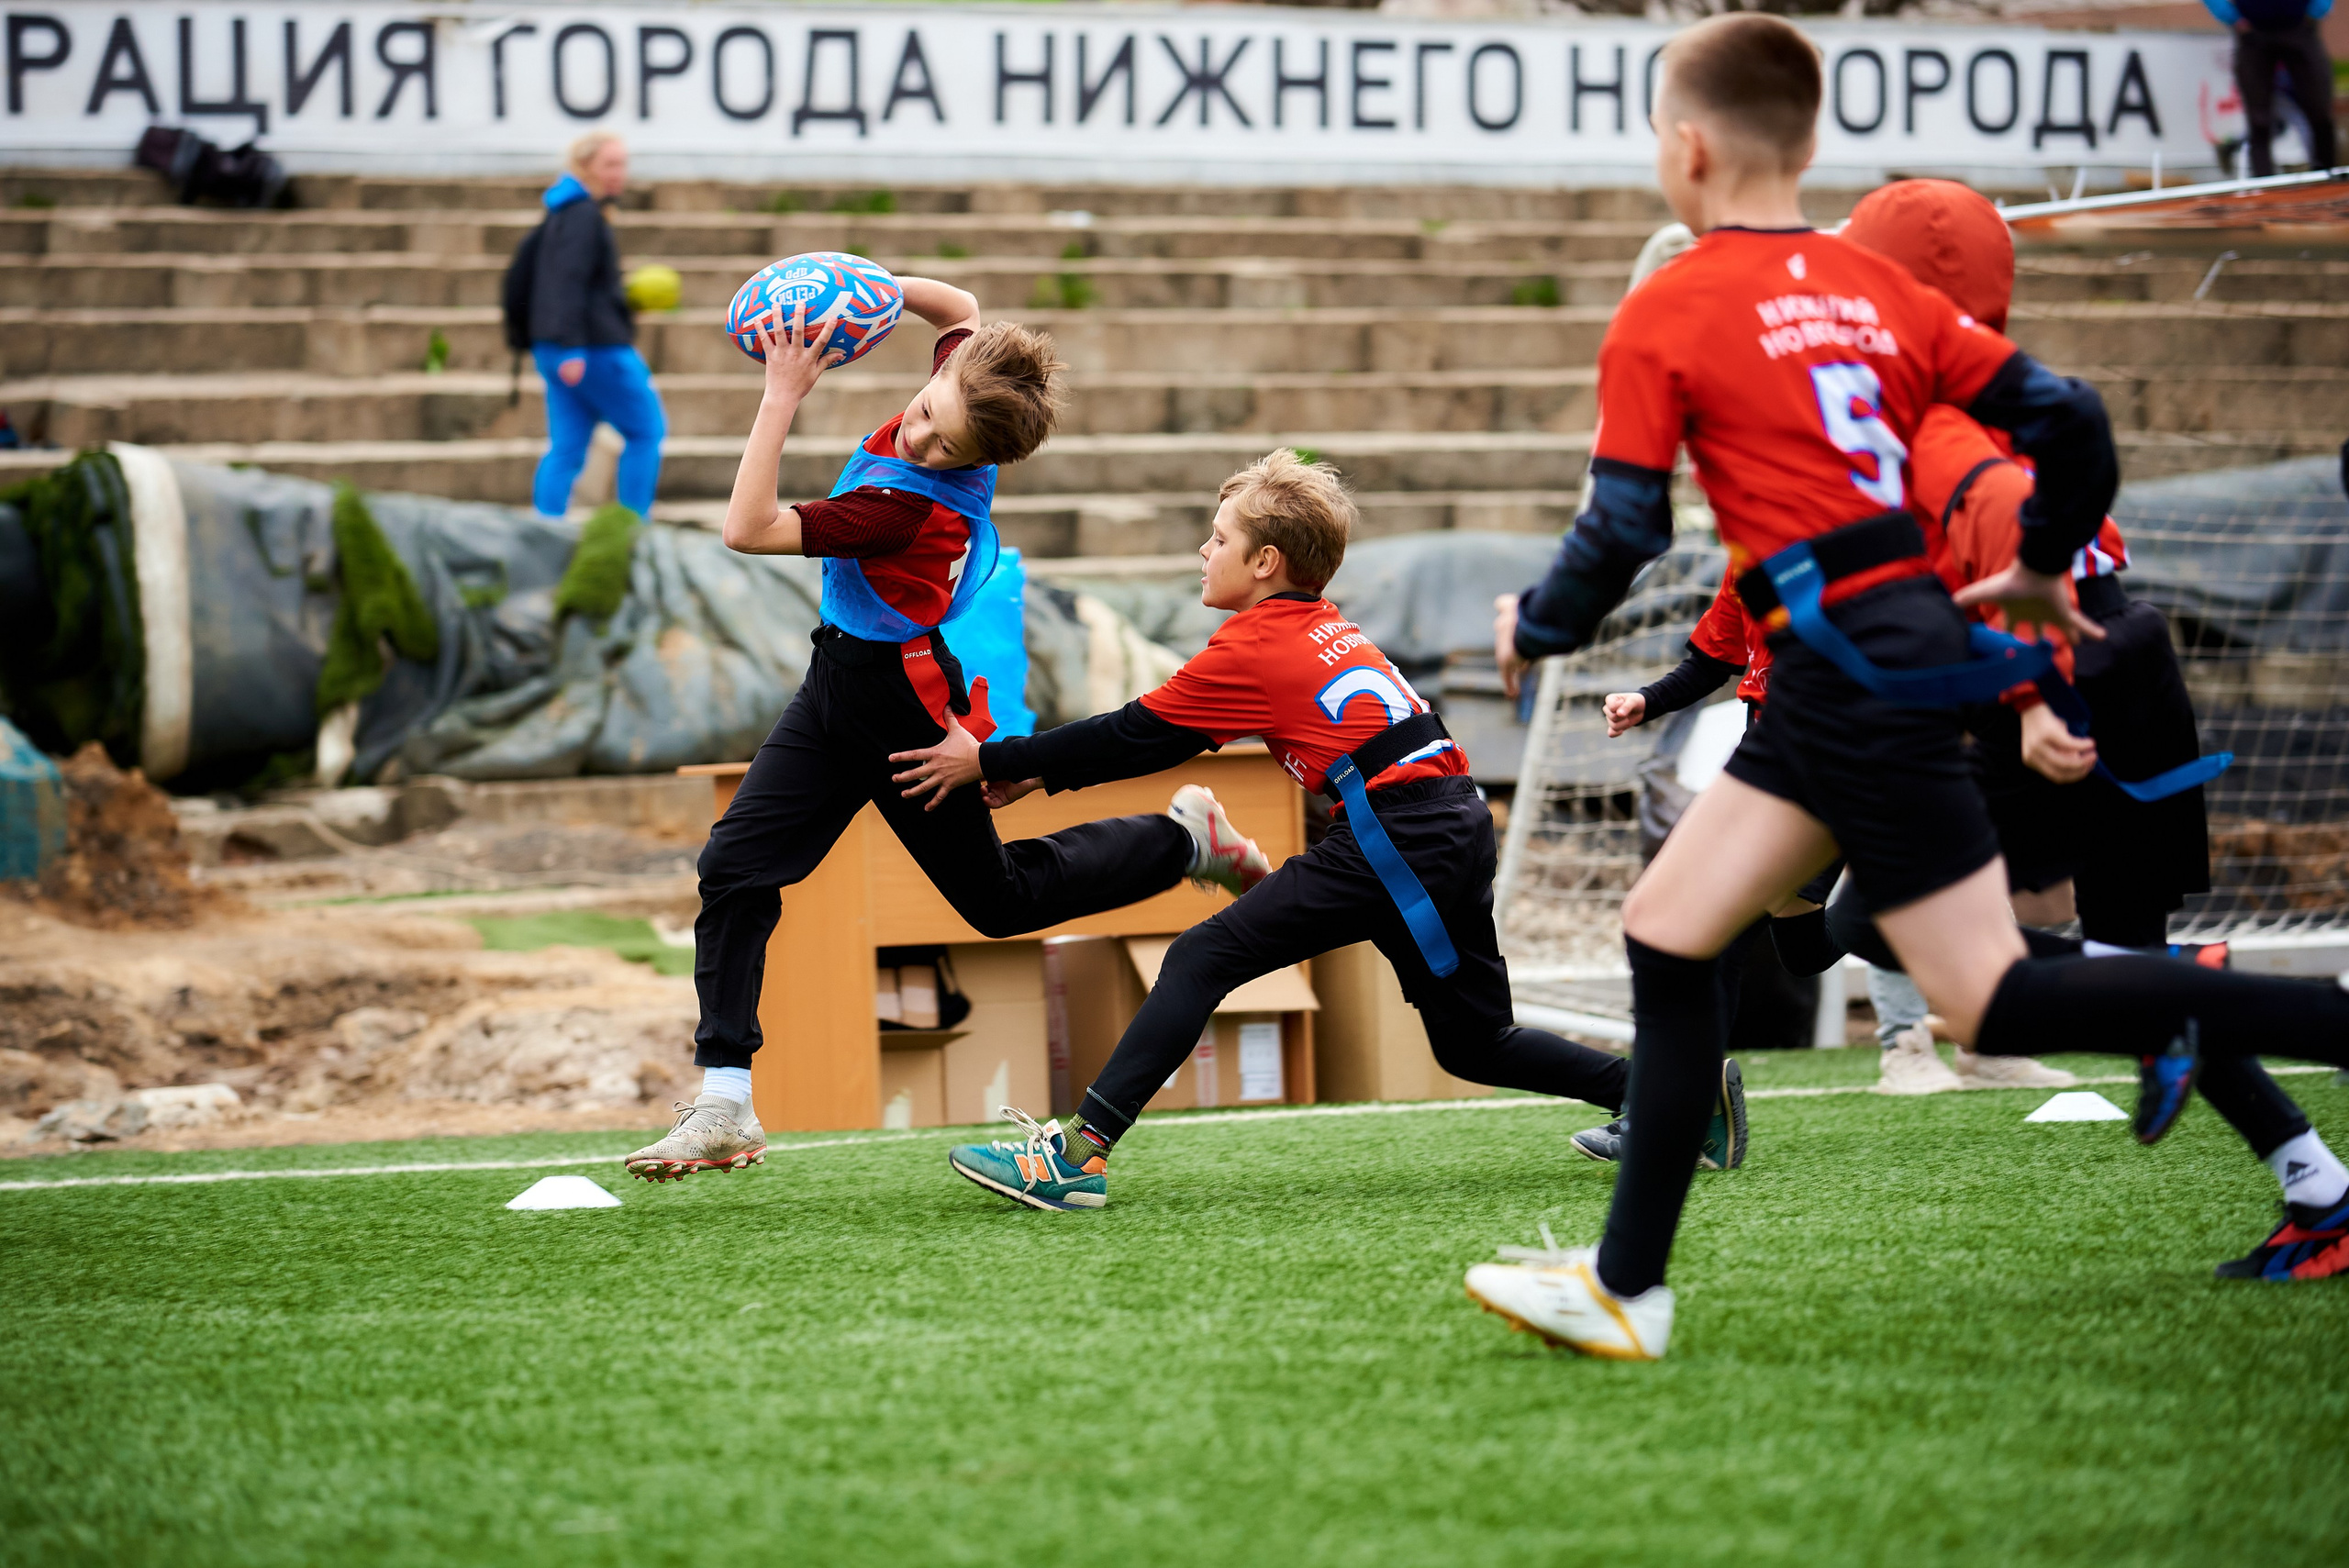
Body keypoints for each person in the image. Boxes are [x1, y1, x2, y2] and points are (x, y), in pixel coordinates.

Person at [1468, 15, 2349, 1361]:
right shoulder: (1875, 294)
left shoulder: (1671, 301)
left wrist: (1536, 622)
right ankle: (1624, 1289)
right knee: (1667, 925)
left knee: (1989, 997)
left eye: (1658, 132)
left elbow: (1625, 529)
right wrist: (2048, 567)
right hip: (1875, 666)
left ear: (1686, 148)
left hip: (1855, 681)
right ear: (1811, 144)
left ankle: (2312, 1023)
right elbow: (2077, 423)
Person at [885, 450, 1722, 1214]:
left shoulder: (1253, 645)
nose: (1201, 554)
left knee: (1202, 956)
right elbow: (1162, 737)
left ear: (1264, 563)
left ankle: (1078, 1154)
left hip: (1402, 836)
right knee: (1473, 1041)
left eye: (1217, 539)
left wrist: (991, 755)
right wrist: (1032, 767)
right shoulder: (1318, 624)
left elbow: (1135, 734)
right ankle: (1673, 1096)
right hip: (1437, 822)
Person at [622, 286, 1271, 1182]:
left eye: (945, 443)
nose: (923, 438)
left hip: (903, 716)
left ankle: (1182, 839)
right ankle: (726, 1095)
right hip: (837, 683)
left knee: (997, 903)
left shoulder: (908, 506)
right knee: (733, 866)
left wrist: (783, 390)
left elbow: (745, 527)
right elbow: (959, 307)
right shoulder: (966, 384)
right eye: (926, 415)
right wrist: (871, 290)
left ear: (976, 458)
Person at [529, 131, 668, 520]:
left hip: (558, 346)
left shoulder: (564, 209)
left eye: (622, 164)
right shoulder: (584, 215)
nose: (619, 174)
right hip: (592, 348)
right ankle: (630, 530)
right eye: (610, 164)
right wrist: (572, 346)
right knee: (645, 432)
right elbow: (565, 282)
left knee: (568, 446)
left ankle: (544, 527)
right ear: (585, 166)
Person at [2204, 0, 2338, 176]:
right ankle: (2263, 182)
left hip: (2300, 27)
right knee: (2258, 120)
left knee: (2320, 110)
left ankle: (2325, 175)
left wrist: (2318, 9)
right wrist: (2231, 17)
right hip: (2253, 32)